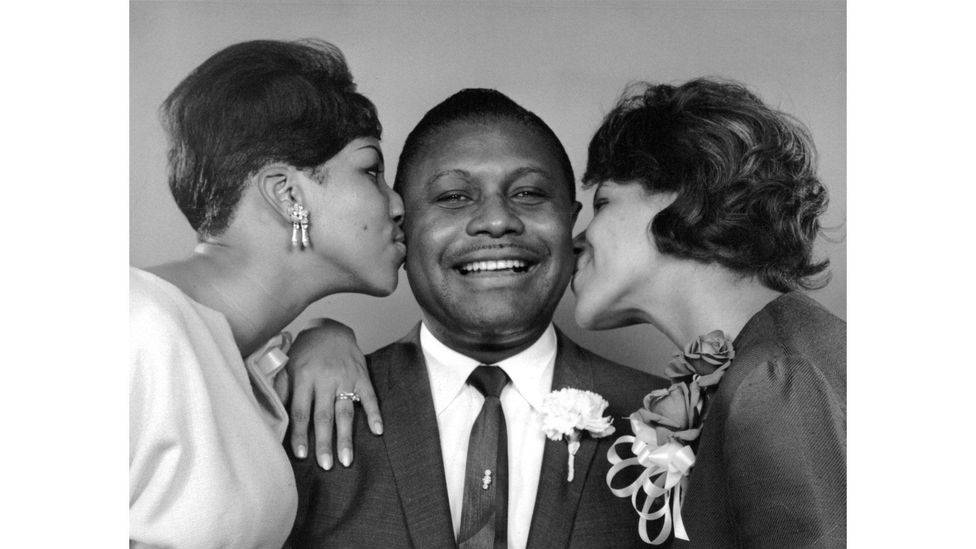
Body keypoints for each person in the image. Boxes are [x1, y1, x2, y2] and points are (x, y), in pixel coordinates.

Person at [286, 89, 667, 548]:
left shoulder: (660, 421)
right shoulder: (314, 410)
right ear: (401, 227)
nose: (496, 221)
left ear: (570, 225)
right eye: (454, 196)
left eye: (528, 193)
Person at [129, 39, 405, 548]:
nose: (397, 205)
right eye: (371, 170)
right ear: (288, 194)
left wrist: (326, 333)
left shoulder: (256, 372)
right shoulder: (132, 325)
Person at [572, 78, 845, 547]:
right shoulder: (768, 360)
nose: (578, 238)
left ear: (682, 193)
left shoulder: (778, 378)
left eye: (603, 203)